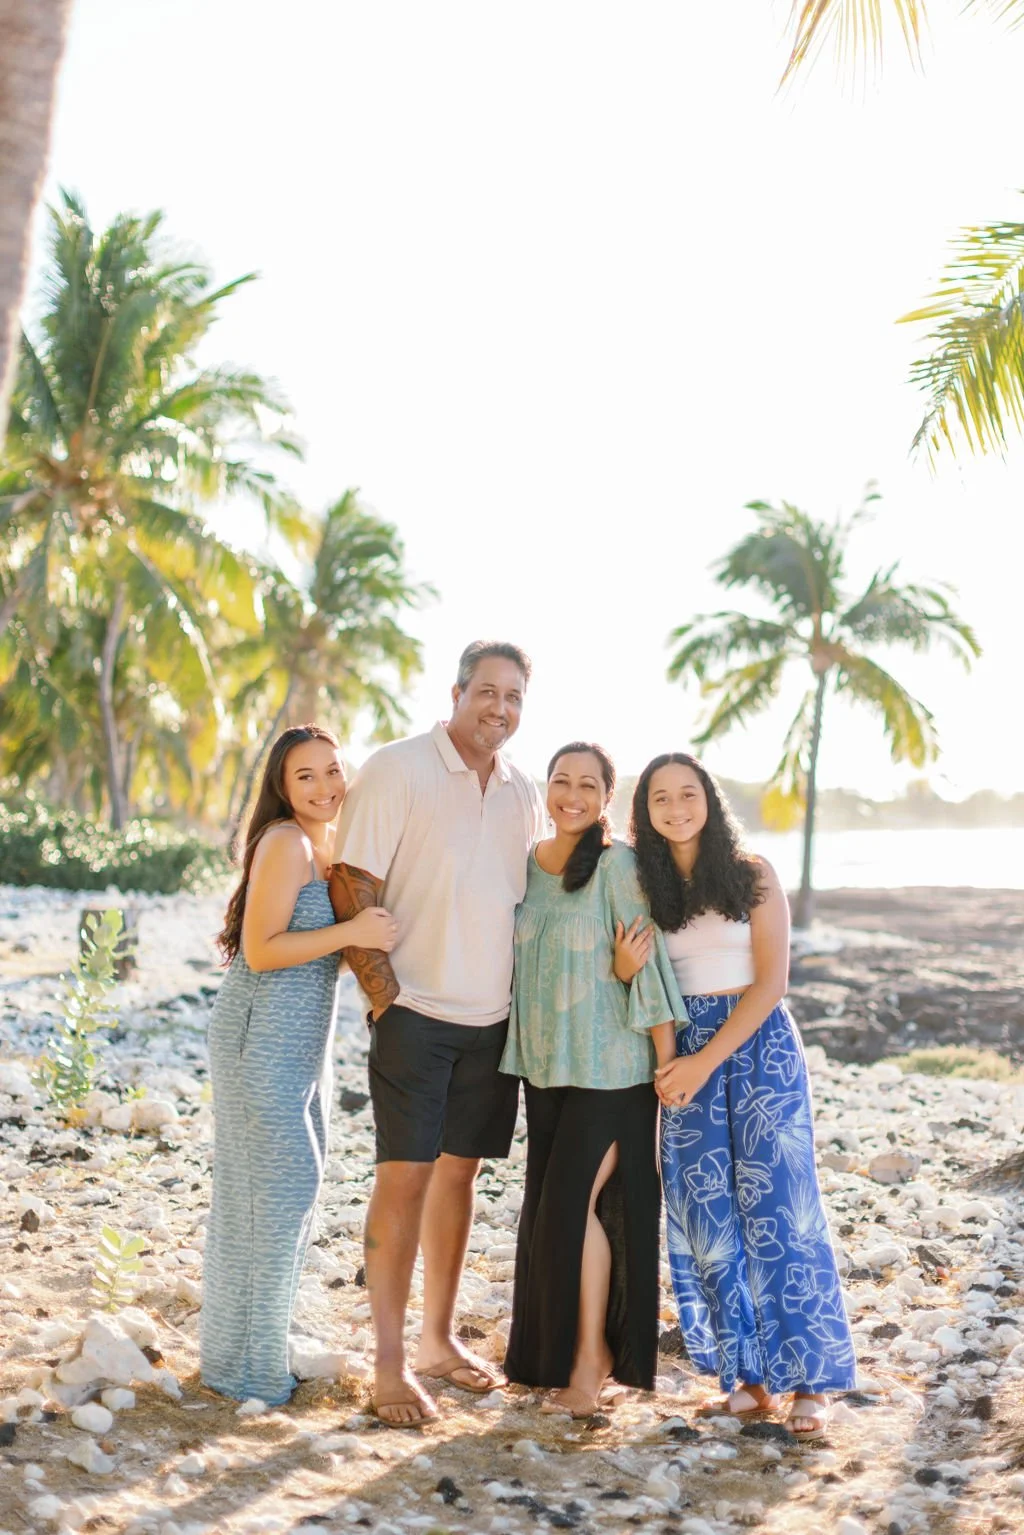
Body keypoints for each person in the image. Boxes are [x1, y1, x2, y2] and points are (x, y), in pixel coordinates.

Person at [328, 641, 546, 1427]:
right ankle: (388, 1367)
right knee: (405, 1178)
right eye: (486, 691)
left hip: (494, 1022)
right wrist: (386, 998)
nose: (499, 707)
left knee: (461, 1178)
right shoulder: (399, 768)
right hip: (415, 1012)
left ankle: (437, 1340)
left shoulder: (525, 788)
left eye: (514, 696)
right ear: (456, 692)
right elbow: (351, 884)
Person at [618, 753, 855, 1439]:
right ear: (646, 813)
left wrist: (702, 1061)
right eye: (659, 797)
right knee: (706, 1216)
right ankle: (747, 1376)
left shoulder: (753, 873)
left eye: (687, 793)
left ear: (709, 800)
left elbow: (771, 981)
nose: (675, 806)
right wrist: (670, 1065)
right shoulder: (645, 885)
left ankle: (810, 1378)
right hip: (683, 1050)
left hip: (758, 1049)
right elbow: (648, 980)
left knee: (783, 1209)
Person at [200, 725, 397, 1407]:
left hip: (301, 1039)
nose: (323, 786)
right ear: (283, 788)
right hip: (258, 1030)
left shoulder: (333, 844)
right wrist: (352, 933)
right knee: (275, 1188)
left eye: (331, 771)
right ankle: (245, 1368)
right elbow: (259, 950)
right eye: (304, 776)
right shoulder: (285, 841)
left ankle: (248, 1351)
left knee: (276, 1190)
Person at [501, 742, 685, 1417]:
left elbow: (654, 963)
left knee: (571, 1211)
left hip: (612, 1070)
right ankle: (547, 1360)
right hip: (545, 1069)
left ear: (607, 796)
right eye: (560, 781)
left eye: (587, 785)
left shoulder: (618, 864)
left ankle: (591, 1361)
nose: (571, 795)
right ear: (545, 789)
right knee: (546, 1218)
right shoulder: (529, 866)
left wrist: (669, 1066)